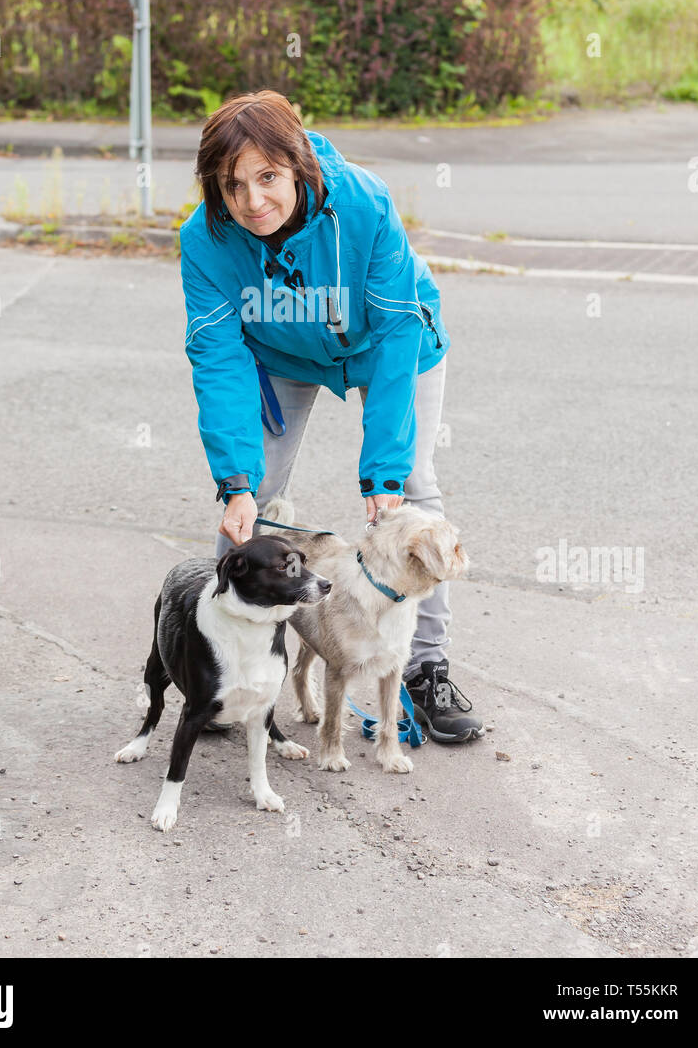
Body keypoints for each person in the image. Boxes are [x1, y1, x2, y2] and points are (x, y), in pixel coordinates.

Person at [178, 89, 483, 743]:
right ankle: (228, 665)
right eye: (233, 186)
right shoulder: (205, 240)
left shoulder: (362, 204)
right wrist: (234, 479)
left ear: (296, 164)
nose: (253, 201)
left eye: (267, 178)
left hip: (386, 344)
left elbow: (399, 332)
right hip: (280, 351)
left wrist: (384, 476)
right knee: (250, 499)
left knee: (412, 497)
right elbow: (218, 358)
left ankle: (424, 670)